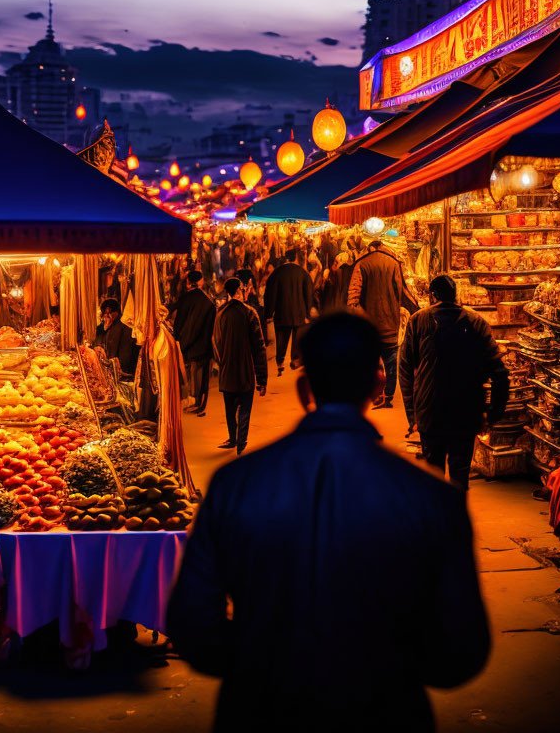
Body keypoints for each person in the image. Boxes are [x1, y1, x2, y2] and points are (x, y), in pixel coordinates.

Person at [166, 312, 490, 732]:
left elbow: (192, 626)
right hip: (386, 713)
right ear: (378, 383)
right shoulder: (433, 498)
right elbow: (461, 651)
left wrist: (260, 659)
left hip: (260, 710)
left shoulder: (234, 485)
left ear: (304, 388)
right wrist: (387, 664)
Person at [399, 274, 508, 491]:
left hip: (430, 412)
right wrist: (491, 414)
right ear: (455, 295)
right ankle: (456, 520)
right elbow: (500, 374)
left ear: (432, 296)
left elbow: (405, 370)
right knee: (460, 476)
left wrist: (413, 415)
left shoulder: (417, 321)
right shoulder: (476, 322)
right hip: (466, 413)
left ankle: (438, 522)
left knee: (433, 475)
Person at [348, 239, 420, 409]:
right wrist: (417, 308)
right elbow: (402, 291)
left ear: (371, 248)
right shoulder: (394, 263)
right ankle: (388, 395)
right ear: (381, 246)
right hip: (390, 322)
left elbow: (353, 297)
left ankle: (376, 394)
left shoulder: (362, 264)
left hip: (369, 327)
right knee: (391, 361)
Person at [212, 277, 267, 454]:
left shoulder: (221, 314)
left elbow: (216, 342)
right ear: (239, 291)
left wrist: (222, 362)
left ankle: (233, 438)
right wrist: (262, 379)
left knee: (229, 408)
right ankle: (241, 443)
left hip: (227, 371)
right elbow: (259, 348)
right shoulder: (250, 313)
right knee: (244, 408)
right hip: (246, 372)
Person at [264, 248, 313, 377]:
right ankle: (295, 359)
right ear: (296, 258)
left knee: (281, 337)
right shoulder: (302, 273)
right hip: (299, 311)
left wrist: (269, 313)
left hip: (281, 312)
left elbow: (270, 294)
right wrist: (308, 311)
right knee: (297, 336)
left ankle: (280, 362)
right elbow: (308, 293)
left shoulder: (277, 273)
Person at [174, 270, 216, 416]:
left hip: (188, 343)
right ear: (201, 281)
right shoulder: (207, 301)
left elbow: (178, 320)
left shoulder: (184, 299)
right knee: (203, 376)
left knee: (194, 373)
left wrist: (180, 338)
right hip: (204, 344)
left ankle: (196, 403)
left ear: (188, 282)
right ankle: (200, 405)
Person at [94, 298, 137, 376]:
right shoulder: (100, 328)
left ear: (117, 313)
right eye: (105, 313)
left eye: (110, 312)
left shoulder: (124, 329)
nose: (108, 316)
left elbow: (125, 357)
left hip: (122, 374)